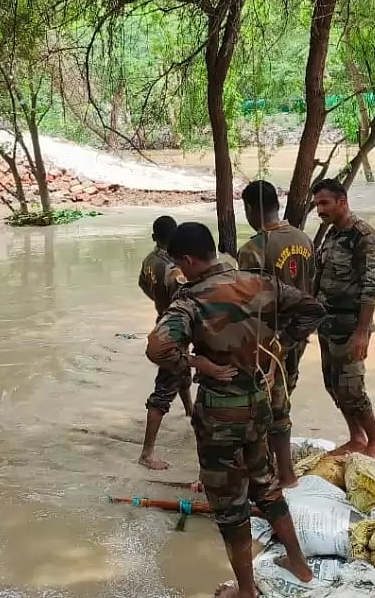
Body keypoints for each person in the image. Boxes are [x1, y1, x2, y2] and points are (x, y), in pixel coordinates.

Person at [147, 222, 322, 598]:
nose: (181, 272)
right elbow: (312, 308)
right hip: (260, 404)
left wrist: (197, 364)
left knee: (230, 508)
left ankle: (246, 592)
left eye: (180, 265)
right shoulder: (260, 282)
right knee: (266, 485)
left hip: (220, 414)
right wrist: (278, 348)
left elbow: (158, 349)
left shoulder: (191, 300)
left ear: (189, 260)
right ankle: (299, 564)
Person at [237, 180, 314, 488]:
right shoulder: (303, 238)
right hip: (299, 332)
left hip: (270, 341)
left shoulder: (254, 249)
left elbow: (252, 306)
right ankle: (273, 464)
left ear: (251, 209)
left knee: (270, 405)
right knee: (283, 393)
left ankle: (285, 475)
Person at [310, 178, 375, 458]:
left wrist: (362, 331)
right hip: (327, 324)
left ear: (342, 201)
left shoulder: (364, 236)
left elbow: (371, 286)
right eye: (317, 204)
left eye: (324, 203)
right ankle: (356, 436)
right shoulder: (331, 235)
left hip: (351, 325)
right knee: (333, 385)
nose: (319, 210)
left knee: (353, 388)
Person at [137, 215, 193, 470]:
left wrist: (160, 302)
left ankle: (190, 410)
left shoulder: (150, 260)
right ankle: (147, 453)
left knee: (181, 372)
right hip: (174, 329)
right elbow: (186, 297)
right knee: (164, 388)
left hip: (162, 319)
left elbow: (143, 284)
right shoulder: (175, 270)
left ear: (153, 237)